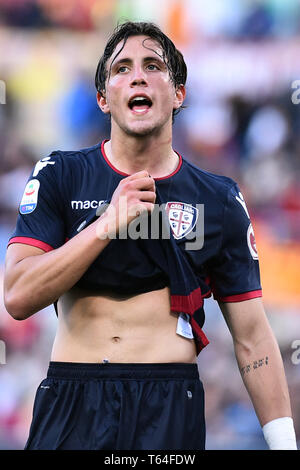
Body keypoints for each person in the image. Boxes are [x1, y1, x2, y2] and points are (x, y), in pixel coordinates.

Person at [4, 21, 297, 451]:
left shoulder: (219, 199)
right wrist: (107, 224)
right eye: (121, 68)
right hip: (75, 399)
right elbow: (17, 296)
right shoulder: (61, 174)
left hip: (169, 404)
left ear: (178, 94)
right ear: (104, 99)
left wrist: (284, 444)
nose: (138, 75)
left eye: (153, 65)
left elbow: (253, 336)